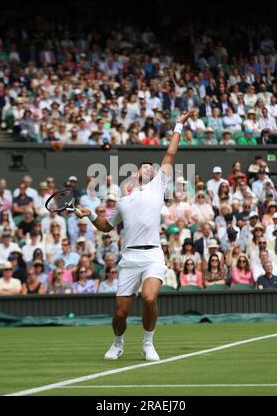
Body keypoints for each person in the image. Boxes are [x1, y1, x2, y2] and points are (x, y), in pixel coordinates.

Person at [75, 110, 193, 362]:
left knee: (149, 298)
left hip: (152, 256)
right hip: (129, 259)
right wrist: (89, 215)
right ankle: (118, 343)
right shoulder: (123, 201)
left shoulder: (158, 186)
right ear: (136, 174)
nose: (151, 170)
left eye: (152, 168)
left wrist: (178, 125)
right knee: (120, 313)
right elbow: (106, 226)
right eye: (146, 168)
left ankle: (148, 343)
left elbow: (171, 154)